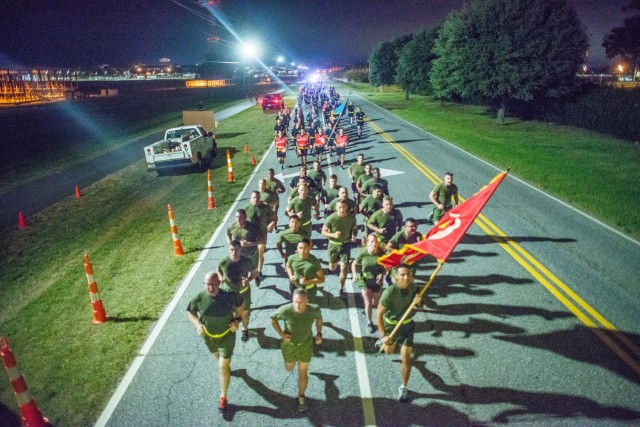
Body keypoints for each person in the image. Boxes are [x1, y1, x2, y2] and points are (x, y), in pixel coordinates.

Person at [187, 272, 243, 413]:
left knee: (222, 368)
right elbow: (190, 312)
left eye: (213, 284)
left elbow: (240, 306)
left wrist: (237, 321)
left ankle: (223, 397)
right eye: (207, 284)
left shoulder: (229, 296)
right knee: (219, 358)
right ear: (203, 284)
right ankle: (226, 368)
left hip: (227, 336)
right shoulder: (199, 298)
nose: (210, 287)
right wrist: (198, 325)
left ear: (219, 283)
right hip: (209, 337)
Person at [271, 288, 323, 412]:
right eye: (295, 302)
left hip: (306, 345)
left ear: (307, 301)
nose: (297, 305)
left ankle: (301, 397)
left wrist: (319, 334)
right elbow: (272, 319)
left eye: (300, 302)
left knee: (303, 372)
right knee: (289, 368)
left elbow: (319, 319)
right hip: (289, 346)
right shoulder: (285, 310)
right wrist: (282, 335)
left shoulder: (314, 309)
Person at [377, 264, 422, 403]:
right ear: (396, 276)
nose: (406, 277)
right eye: (402, 274)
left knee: (406, 357)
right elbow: (379, 314)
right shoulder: (389, 292)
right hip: (391, 326)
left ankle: (404, 387)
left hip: (407, 325)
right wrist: (384, 335)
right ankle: (382, 342)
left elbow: (421, 306)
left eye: (408, 274)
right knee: (389, 352)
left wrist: (419, 303)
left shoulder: (415, 288)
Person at [217, 240, 258, 343]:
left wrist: (248, 280)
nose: (234, 253)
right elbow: (218, 270)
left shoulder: (247, 261)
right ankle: (232, 327)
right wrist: (220, 277)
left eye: (236, 250)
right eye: (231, 250)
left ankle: (245, 329)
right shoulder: (223, 262)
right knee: (231, 314)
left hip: (243, 292)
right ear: (228, 250)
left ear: (241, 250)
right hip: (229, 293)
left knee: (244, 313)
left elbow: (254, 273)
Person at [321, 200, 358, 297]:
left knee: (343, 267)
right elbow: (323, 232)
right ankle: (334, 264)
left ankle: (341, 288)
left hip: (345, 245)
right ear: (336, 208)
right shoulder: (331, 218)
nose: (342, 210)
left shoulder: (351, 218)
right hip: (333, 245)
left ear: (347, 208)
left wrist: (354, 235)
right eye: (339, 207)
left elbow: (354, 228)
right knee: (332, 268)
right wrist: (333, 234)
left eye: (344, 207)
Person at [352, 234, 387, 333]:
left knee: (375, 302)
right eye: (371, 241)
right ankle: (369, 322)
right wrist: (355, 275)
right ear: (367, 243)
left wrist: (382, 274)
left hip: (376, 281)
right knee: (368, 303)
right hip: (364, 280)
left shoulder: (381, 254)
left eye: (375, 241)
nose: (374, 243)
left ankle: (370, 307)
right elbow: (354, 264)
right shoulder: (363, 253)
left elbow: (387, 267)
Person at [226, 209, 265, 286]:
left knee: (254, 270)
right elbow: (227, 234)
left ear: (245, 217)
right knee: (242, 273)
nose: (238, 219)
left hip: (252, 254)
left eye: (241, 217)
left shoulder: (252, 227)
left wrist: (249, 244)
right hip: (240, 256)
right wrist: (231, 243)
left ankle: (256, 276)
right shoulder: (232, 226)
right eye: (236, 217)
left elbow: (262, 240)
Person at [245, 191, 276, 281]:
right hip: (250, 235)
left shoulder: (265, 207)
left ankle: (259, 271)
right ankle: (253, 271)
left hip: (262, 234)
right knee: (250, 255)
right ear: (250, 199)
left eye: (258, 197)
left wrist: (272, 223)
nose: (256, 199)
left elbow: (273, 217)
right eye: (254, 197)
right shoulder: (246, 208)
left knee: (260, 252)